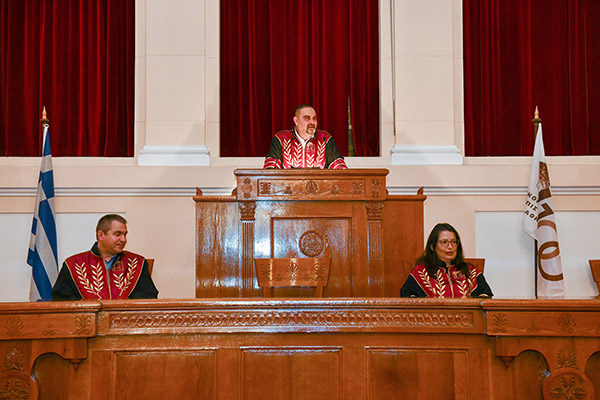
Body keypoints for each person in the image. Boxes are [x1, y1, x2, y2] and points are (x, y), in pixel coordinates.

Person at [52, 214, 158, 300]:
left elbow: (148, 299)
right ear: (101, 235)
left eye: (125, 234)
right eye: (118, 234)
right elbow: (61, 301)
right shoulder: (73, 264)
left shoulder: (137, 263)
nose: (123, 240)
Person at [400, 223, 493, 298]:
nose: (450, 247)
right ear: (432, 247)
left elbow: (486, 297)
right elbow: (408, 302)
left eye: (453, 242)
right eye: (444, 242)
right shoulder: (420, 273)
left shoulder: (471, 272)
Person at [263, 104, 348, 169]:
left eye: (314, 118)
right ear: (296, 121)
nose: (312, 122)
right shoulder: (282, 138)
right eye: (307, 118)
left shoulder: (324, 138)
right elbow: (270, 170)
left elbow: (340, 169)